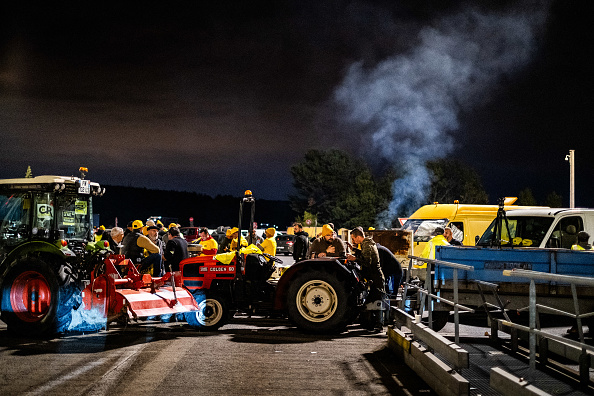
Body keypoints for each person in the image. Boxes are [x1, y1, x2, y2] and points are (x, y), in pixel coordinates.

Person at [347, 226, 385, 332]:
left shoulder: (367, 245)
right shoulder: (367, 243)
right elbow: (365, 255)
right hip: (375, 278)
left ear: (358, 237)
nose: (353, 241)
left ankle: (378, 326)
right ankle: (375, 325)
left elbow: (367, 261)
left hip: (376, 278)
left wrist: (354, 258)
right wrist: (354, 249)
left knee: (375, 302)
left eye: (353, 239)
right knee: (374, 302)